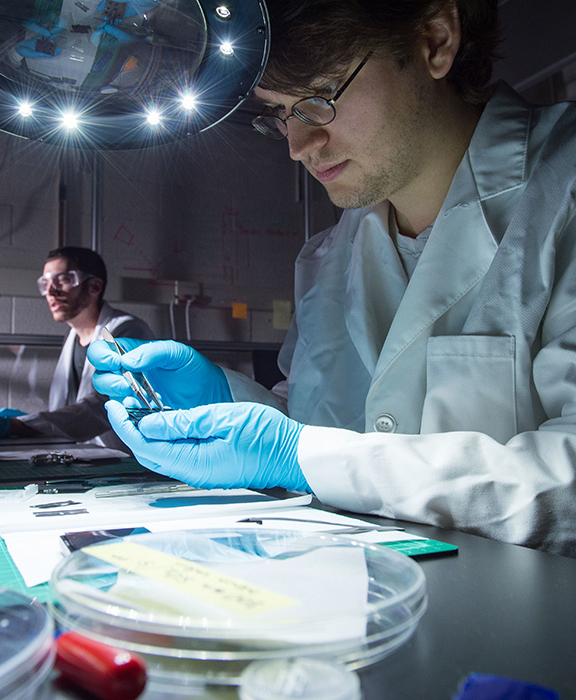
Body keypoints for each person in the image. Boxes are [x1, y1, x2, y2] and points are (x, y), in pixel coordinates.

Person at [87, 0, 576, 558]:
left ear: (436, 40)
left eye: (319, 98)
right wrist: (227, 399)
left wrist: (293, 455)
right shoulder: (327, 256)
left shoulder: (563, 188)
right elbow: (326, 428)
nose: (297, 146)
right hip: (357, 600)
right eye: (278, 113)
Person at [0, 246, 154, 447]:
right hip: (91, 457)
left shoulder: (127, 332)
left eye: (63, 280)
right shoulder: (73, 337)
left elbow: (106, 407)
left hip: (128, 463)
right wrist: (29, 421)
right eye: (45, 283)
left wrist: (18, 425)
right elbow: (73, 410)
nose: (50, 292)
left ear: (94, 287)